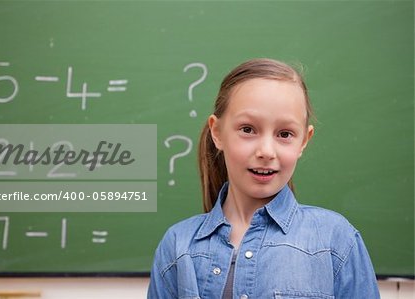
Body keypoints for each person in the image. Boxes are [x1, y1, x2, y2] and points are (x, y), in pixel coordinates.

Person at [148, 58, 380, 298]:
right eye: (248, 129)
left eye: (285, 134)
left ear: (304, 141)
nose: (266, 151)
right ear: (217, 133)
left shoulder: (336, 239)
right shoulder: (178, 244)